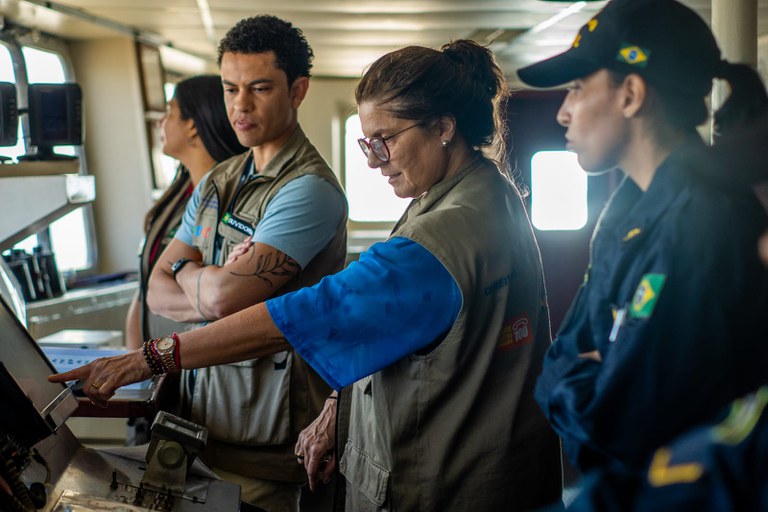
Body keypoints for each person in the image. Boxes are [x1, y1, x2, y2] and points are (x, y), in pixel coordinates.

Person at [51, 39, 563, 511]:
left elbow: (306, 312)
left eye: (384, 140)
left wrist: (151, 359)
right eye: (367, 144)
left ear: (444, 127)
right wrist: (337, 406)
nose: (374, 161)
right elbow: (392, 326)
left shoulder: (442, 235)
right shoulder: (472, 192)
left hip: (447, 484)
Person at [515, 0, 768, 477]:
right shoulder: (627, 212)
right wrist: (584, 369)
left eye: (575, 88)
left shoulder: (701, 222)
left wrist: (570, 378)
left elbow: (619, 419)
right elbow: (568, 352)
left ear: (630, 94)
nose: (564, 113)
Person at [143, 15, 348, 512]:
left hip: (266, 446)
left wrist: (198, 280)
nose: (241, 105)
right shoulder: (218, 180)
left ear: (297, 90)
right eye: (231, 89)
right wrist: (211, 282)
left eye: (259, 88)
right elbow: (156, 288)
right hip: (197, 426)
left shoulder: (309, 190)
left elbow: (224, 298)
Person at [123, 74, 246, 446]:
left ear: (193, 124)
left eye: (169, 112)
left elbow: (220, 296)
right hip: (147, 370)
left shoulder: (227, 200)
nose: (161, 121)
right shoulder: (179, 196)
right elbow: (148, 288)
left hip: (184, 369)